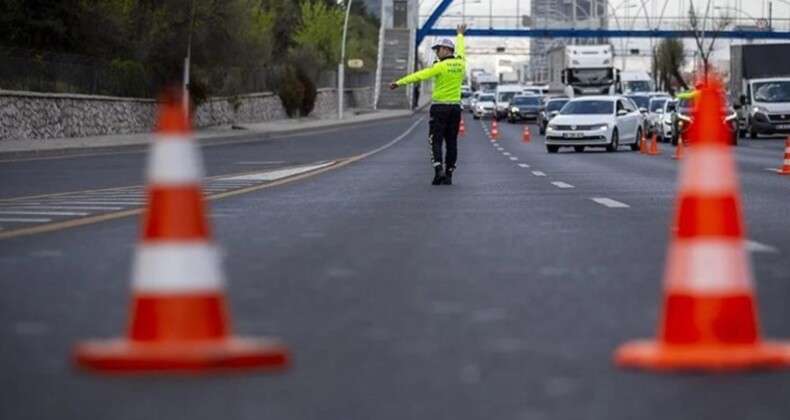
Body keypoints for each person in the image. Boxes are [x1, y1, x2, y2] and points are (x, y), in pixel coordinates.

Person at [390, 24, 467, 185]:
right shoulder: (461, 64)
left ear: (446, 50)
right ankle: (449, 173)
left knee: (435, 140)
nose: (436, 52)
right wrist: (460, 34)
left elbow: (419, 76)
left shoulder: (439, 66)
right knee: (452, 141)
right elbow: (461, 49)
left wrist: (399, 82)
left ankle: (438, 170)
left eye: (438, 49)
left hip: (439, 108)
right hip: (455, 108)